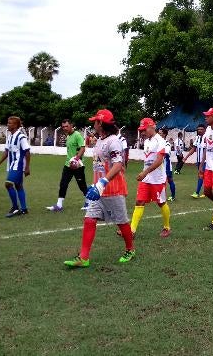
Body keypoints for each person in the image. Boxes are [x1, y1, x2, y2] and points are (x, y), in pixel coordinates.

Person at [63, 109, 136, 266]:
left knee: (122, 222)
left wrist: (103, 182)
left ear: (101, 123)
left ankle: (130, 248)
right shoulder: (100, 140)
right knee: (89, 219)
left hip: (113, 189)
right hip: (97, 191)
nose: (93, 123)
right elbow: (100, 164)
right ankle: (83, 258)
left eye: (95, 121)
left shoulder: (113, 141)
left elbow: (118, 164)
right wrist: (78, 162)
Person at [129, 119, 171, 237]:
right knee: (139, 201)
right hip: (146, 178)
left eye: (144, 129)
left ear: (152, 127)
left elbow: (159, 161)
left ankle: (167, 227)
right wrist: (145, 174)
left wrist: (145, 172)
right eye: (141, 130)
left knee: (161, 203)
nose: (142, 132)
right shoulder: (147, 141)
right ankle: (131, 231)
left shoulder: (160, 141)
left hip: (158, 179)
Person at [47, 119, 88, 212]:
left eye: (66, 126)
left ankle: (88, 202)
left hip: (78, 165)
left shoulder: (77, 135)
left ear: (71, 125)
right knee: (63, 184)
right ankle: (59, 205)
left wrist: (76, 159)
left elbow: (82, 148)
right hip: (68, 165)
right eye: (63, 127)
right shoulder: (68, 136)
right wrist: (71, 161)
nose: (65, 128)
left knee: (82, 185)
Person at [0, 116, 31, 218]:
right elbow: (6, 151)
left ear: (15, 125)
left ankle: (15, 207)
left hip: (18, 165)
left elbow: (27, 152)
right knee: (18, 186)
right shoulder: (10, 137)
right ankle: (24, 209)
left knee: (8, 184)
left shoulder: (21, 137)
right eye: (8, 123)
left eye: (10, 123)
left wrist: (27, 167)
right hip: (11, 165)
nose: (8, 125)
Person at [184, 124, 206, 198]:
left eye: (201, 129)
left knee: (201, 175)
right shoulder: (197, 138)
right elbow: (194, 149)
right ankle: (206, 192)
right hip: (199, 161)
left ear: (205, 130)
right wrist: (186, 157)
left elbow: (206, 151)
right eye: (198, 129)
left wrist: (202, 163)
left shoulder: (206, 138)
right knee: (202, 176)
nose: (199, 130)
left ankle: (197, 192)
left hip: (205, 161)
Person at [158, 128, 176, 201]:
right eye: (158, 133)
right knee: (159, 181)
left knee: (169, 180)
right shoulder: (157, 143)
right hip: (158, 166)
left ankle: (173, 196)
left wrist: (159, 158)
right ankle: (159, 196)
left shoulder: (167, 143)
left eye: (160, 133)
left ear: (164, 134)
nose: (159, 134)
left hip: (166, 166)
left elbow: (166, 154)